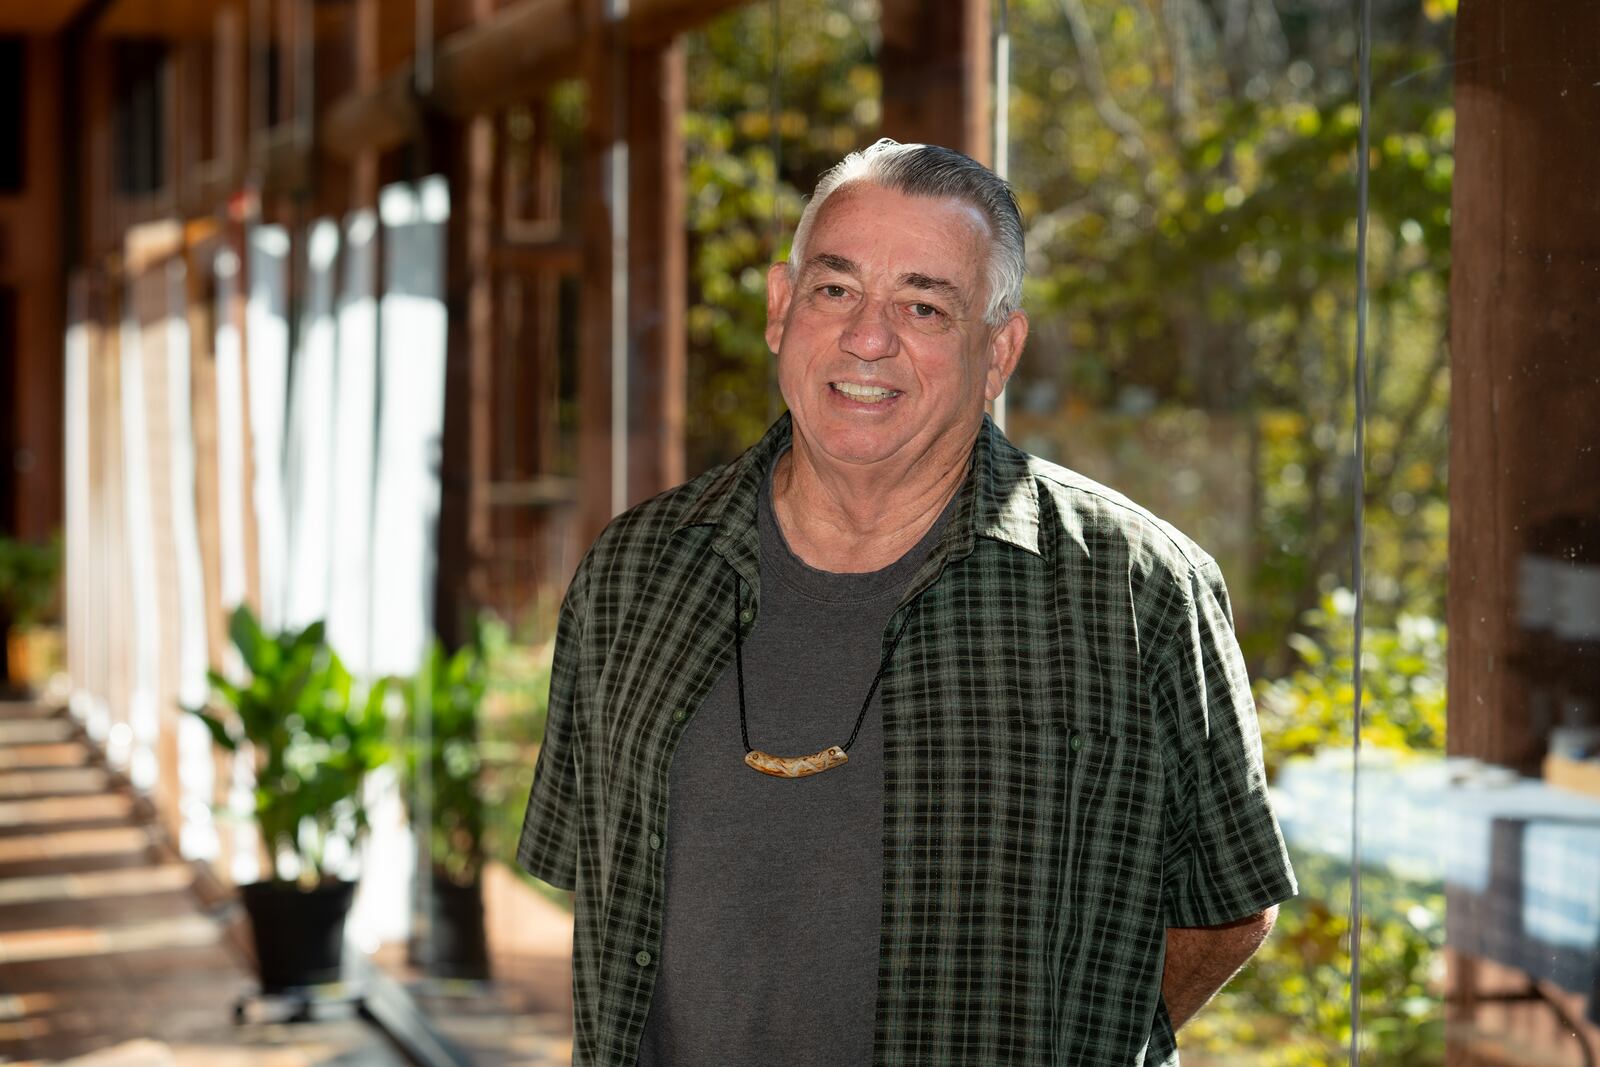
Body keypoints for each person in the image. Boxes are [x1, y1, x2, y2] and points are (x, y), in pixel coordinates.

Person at [518, 139, 1297, 1066]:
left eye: (923, 305)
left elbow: (1230, 907)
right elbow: (601, 902)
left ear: (998, 350)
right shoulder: (636, 570)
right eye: (835, 290)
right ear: (780, 306)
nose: (867, 337)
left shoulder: (1136, 591)